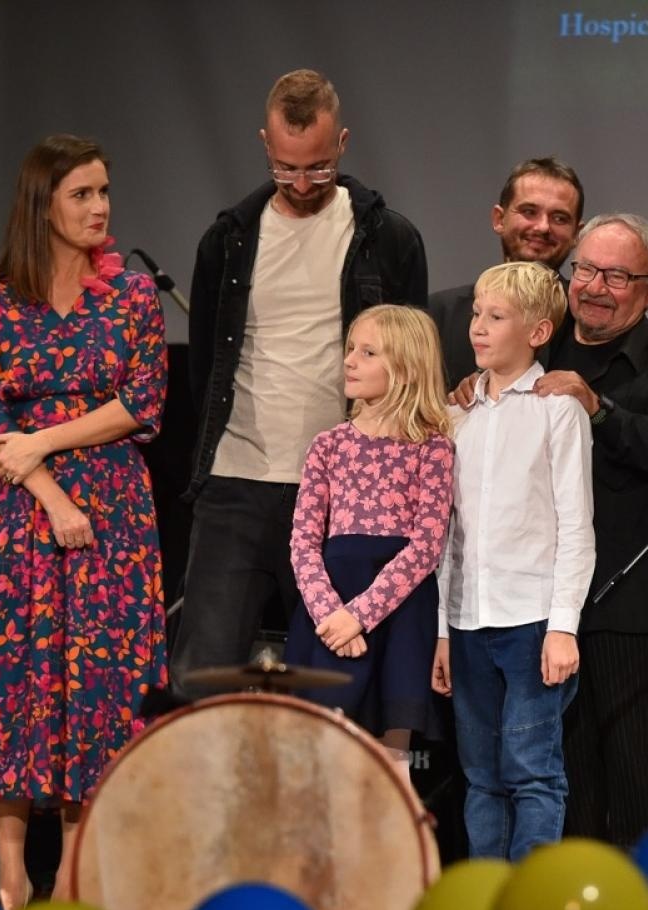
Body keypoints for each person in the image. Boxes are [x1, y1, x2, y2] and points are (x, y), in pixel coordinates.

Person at [0, 135, 169, 910]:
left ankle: (72, 877)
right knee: (14, 678)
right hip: (16, 510)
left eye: (103, 192)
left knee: (93, 683)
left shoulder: (131, 295)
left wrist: (49, 441)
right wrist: (53, 497)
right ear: (42, 205)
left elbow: (142, 405)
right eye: (82, 195)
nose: (100, 208)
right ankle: (11, 873)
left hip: (111, 510)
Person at [176, 69, 427, 688]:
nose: (303, 182)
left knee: (339, 674)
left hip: (347, 490)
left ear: (341, 143)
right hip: (239, 479)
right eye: (287, 168)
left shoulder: (386, 238)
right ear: (266, 145)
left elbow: (411, 360)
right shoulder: (228, 241)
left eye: (318, 166)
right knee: (202, 672)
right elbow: (204, 364)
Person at [542, 213, 648, 846]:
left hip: (634, 607)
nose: (594, 287)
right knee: (562, 788)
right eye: (584, 269)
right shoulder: (539, 344)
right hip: (546, 607)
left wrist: (600, 410)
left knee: (639, 787)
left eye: (615, 275)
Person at [432, 261, 594, 860]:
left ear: (538, 332)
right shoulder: (457, 415)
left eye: (496, 317)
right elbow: (447, 535)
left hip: (530, 622)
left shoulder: (558, 409)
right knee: (481, 777)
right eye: (476, 313)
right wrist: (443, 631)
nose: (478, 326)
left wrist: (562, 627)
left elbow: (576, 526)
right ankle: (486, 907)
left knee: (532, 771)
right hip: (470, 621)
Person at [284, 304, 454, 782]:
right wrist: (331, 614)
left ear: (405, 367)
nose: (349, 361)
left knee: (391, 756)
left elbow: (426, 543)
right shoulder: (329, 446)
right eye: (349, 349)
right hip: (330, 607)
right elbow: (302, 541)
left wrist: (361, 614)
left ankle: (394, 852)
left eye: (367, 352)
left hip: (396, 610)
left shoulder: (432, 446)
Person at [428, 158, 584, 387]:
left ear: (576, 234)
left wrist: (595, 410)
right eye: (529, 211)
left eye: (559, 218)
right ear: (499, 219)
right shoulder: (440, 315)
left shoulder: (588, 321)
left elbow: (601, 417)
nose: (543, 227)